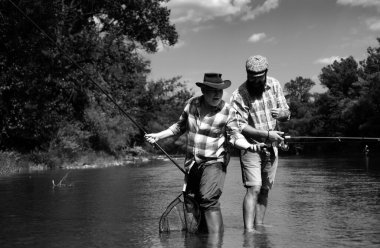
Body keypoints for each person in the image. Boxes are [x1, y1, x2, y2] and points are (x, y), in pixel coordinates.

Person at [145, 73, 264, 234]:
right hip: (192, 163)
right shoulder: (192, 104)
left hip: (214, 162)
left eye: (220, 91)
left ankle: (215, 242)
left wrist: (249, 146)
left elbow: (236, 137)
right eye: (213, 90)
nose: (217, 94)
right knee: (191, 201)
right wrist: (158, 136)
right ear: (204, 90)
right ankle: (199, 240)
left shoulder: (227, 111)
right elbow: (179, 127)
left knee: (208, 199)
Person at [230, 55, 290, 232]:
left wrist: (283, 114)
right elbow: (239, 126)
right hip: (250, 147)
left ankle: (259, 226)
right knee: (254, 188)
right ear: (247, 74)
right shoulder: (239, 94)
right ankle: (249, 231)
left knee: (264, 189)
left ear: (266, 73)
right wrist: (266, 134)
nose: (255, 81)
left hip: (272, 148)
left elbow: (287, 112)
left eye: (259, 78)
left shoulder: (275, 84)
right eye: (251, 78)